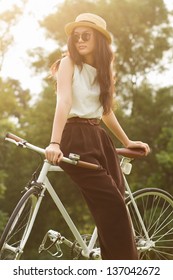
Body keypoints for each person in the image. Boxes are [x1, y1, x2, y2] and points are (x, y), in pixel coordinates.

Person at [45, 13, 150, 260]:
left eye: (86, 35)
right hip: (75, 136)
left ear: (99, 39)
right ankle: (127, 268)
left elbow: (106, 111)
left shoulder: (104, 69)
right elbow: (64, 101)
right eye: (76, 36)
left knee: (116, 203)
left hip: (99, 138)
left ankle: (111, 263)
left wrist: (126, 142)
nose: (79, 40)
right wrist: (54, 142)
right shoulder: (68, 63)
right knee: (112, 203)